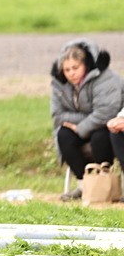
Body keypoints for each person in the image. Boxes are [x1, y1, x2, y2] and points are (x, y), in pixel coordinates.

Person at [50, 38, 121, 200]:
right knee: (63, 135)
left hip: (105, 126)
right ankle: (84, 184)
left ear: (86, 65)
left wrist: (81, 127)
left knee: (100, 136)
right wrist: (81, 124)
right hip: (82, 126)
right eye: (67, 70)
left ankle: (103, 183)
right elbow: (57, 114)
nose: (71, 73)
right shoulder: (58, 84)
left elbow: (107, 111)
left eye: (75, 68)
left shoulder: (106, 79)